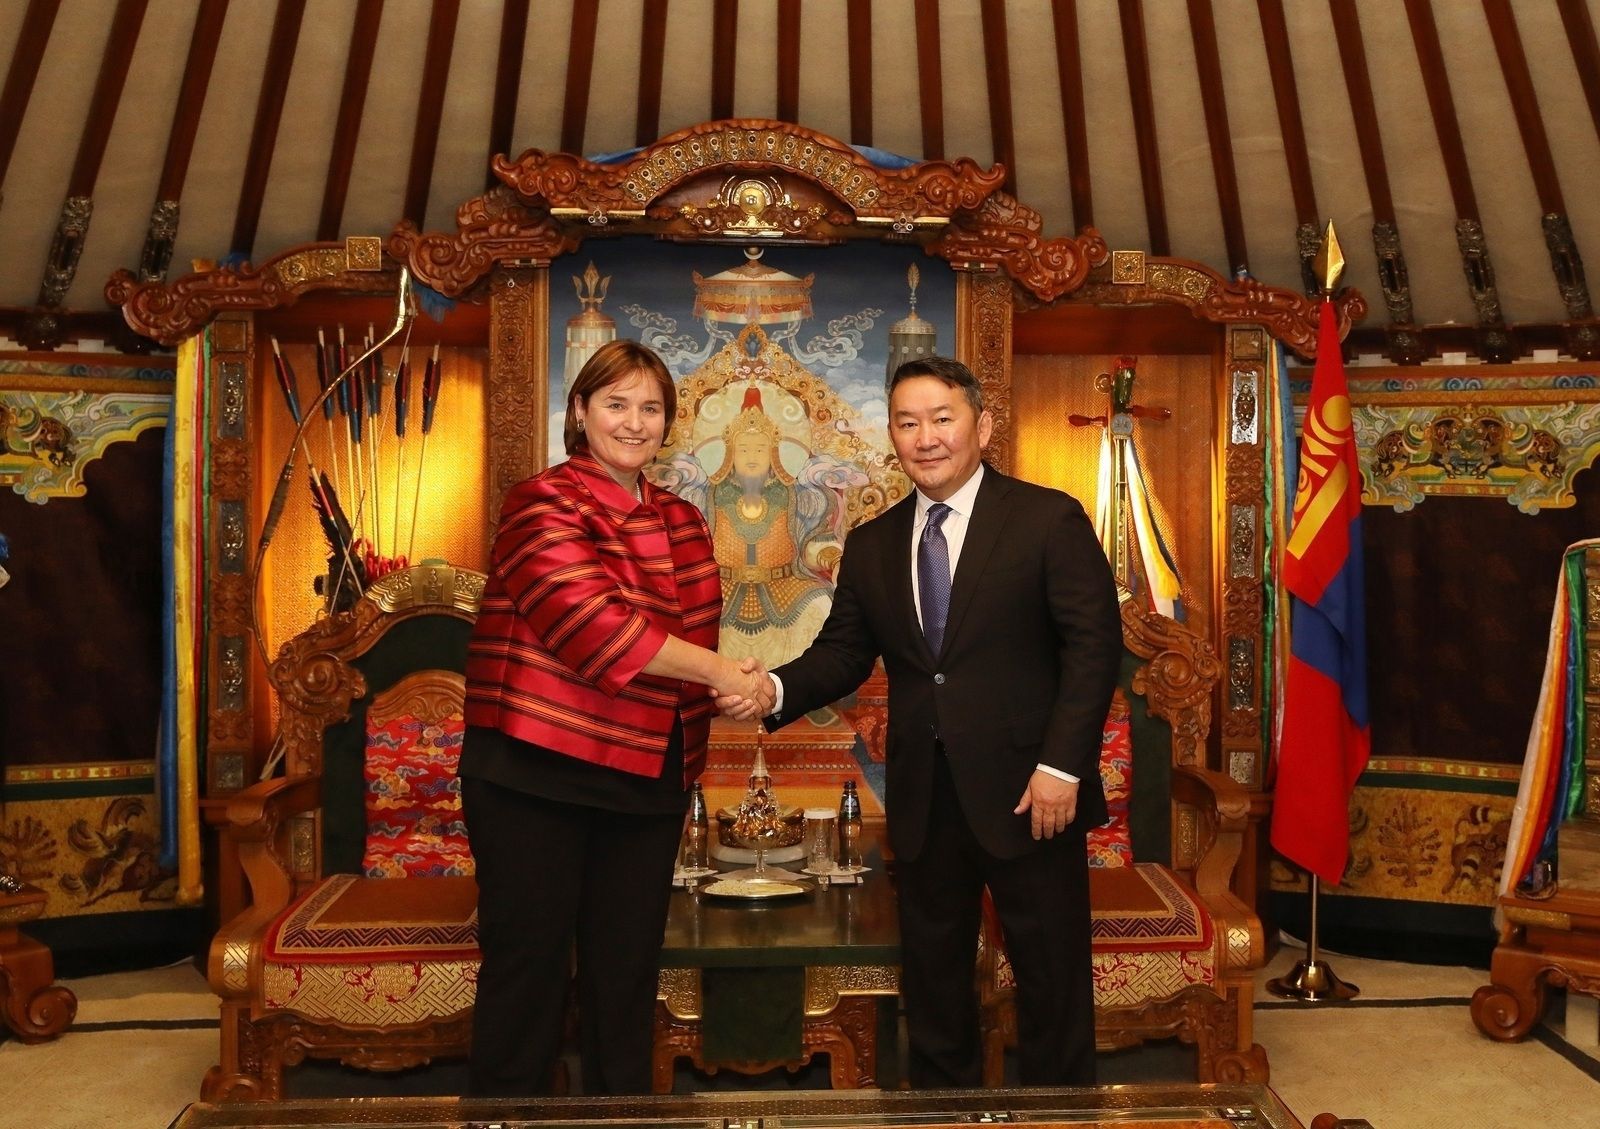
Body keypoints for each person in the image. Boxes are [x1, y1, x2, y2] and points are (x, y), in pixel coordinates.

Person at [718, 356, 1121, 1087]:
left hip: (1033, 793)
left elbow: (1093, 651)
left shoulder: (1046, 519)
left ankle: (1062, 1117)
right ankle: (943, 1113)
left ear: (982, 426)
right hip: (924, 796)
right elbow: (842, 654)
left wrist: (1062, 766)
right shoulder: (874, 542)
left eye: (942, 418)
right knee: (934, 985)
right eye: (908, 423)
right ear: (893, 436)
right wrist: (771, 689)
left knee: (1052, 981)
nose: (925, 437)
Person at [462, 339, 770, 1096]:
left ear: (669, 423)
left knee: (626, 979)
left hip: (647, 776)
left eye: (651, 408)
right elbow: (592, 625)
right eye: (616, 403)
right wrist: (723, 674)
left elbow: (695, 645)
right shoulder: (540, 501)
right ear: (580, 411)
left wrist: (736, 690)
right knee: (528, 974)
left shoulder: (683, 519)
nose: (634, 422)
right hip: (536, 771)